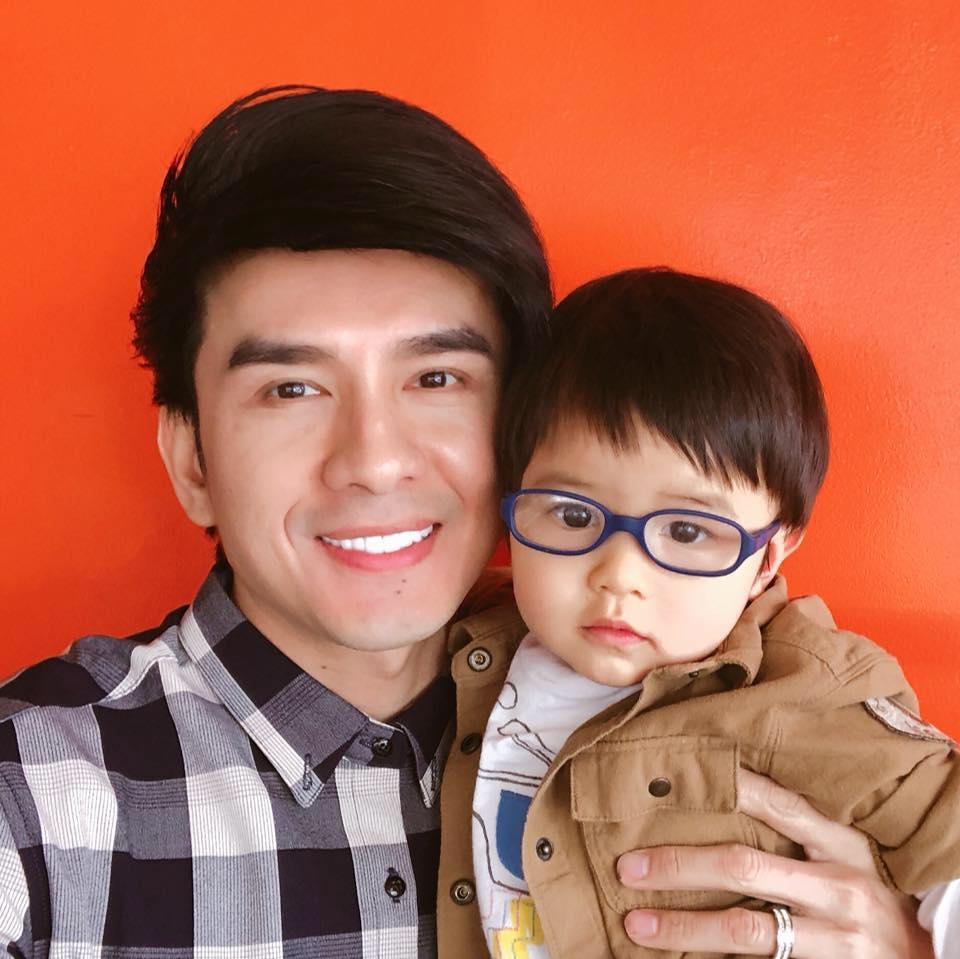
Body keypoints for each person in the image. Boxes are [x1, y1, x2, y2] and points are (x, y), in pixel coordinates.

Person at [0, 86, 937, 958]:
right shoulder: (33, 792)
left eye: (437, 377)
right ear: (192, 461)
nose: (374, 459)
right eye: (291, 388)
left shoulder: (734, 696)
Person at [473, 267, 960, 958]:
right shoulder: (466, 650)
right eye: (574, 515)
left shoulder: (804, 687)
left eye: (687, 530)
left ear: (766, 559)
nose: (619, 576)